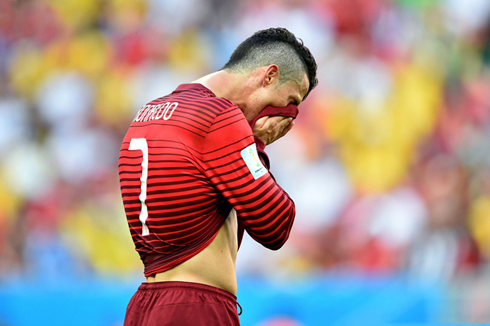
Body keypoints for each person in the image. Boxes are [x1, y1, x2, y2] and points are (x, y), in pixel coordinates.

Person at [118, 27, 318, 325]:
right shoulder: (219, 117)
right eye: (290, 100)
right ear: (269, 76)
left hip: (145, 304)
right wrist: (257, 144)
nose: (286, 115)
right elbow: (276, 225)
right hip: (195, 306)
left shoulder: (150, 111)